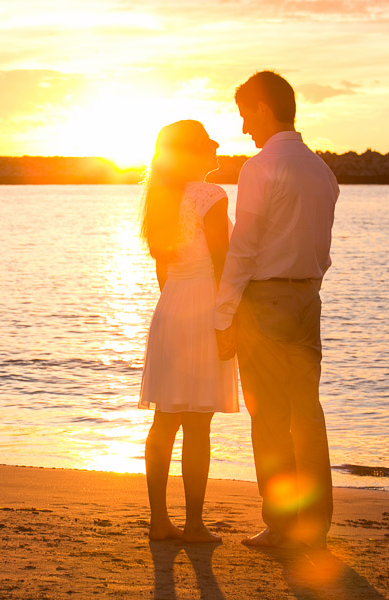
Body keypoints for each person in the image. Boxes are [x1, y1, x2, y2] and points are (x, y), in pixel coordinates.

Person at [214, 71, 339, 549]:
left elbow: (244, 247)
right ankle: (315, 525)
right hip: (308, 298)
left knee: (269, 417)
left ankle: (283, 525)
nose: (244, 127)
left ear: (264, 109)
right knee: (307, 414)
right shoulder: (322, 170)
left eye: (246, 115)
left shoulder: (259, 167)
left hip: (266, 301)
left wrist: (223, 313)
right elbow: (322, 248)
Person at [138, 120, 239, 543]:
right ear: (194, 151)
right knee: (198, 424)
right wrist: (227, 318)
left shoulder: (160, 199)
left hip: (171, 306)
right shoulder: (210, 195)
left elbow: (163, 271)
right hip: (203, 306)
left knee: (165, 420)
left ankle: (159, 522)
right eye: (208, 142)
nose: (216, 147)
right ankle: (194, 524)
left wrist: (176, 301)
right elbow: (223, 262)